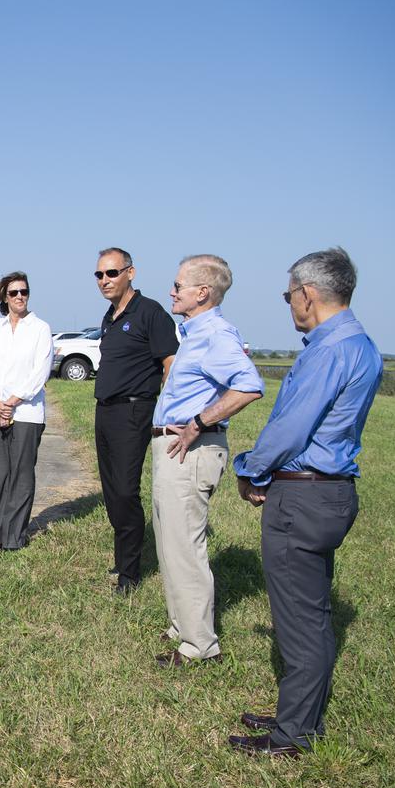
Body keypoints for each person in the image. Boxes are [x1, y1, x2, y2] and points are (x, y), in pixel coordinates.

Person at [228, 248, 382, 758]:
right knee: (310, 614)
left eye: (288, 293)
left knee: (300, 621)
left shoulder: (328, 350)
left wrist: (250, 467)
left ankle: (292, 737)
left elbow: (291, 428)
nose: (288, 301)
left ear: (307, 294)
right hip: (331, 493)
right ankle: (297, 715)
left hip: (303, 494)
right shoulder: (360, 345)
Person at [149, 256, 262, 668]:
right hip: (172, 448)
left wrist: (198, 422)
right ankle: (183, 627)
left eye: (178, 285)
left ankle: (200, 647)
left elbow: (248, 386)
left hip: (190, 450)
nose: (172, 292)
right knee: (170, 543)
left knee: (185, 548)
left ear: (203, 292)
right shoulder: (193, 333)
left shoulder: (215, 333)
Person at [92, 247, 179, 593]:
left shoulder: (150, 313)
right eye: (99, 275)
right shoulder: (110, 315)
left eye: (111, 273)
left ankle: (131, 573)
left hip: (134, 411)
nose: (104, 281)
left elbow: (170, 364)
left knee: (127, 490)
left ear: (130, 272)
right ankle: (123, 557)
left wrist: (167, 411)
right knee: (112, 491)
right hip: (105, 411)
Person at [0, 273, 53, 552]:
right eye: (14, 292)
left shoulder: (40, 329)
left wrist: (12, 402)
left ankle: (14, 537)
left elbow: (40, 373)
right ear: (5, 298)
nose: (20, 296)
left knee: (21, 474)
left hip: (27, 412)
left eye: (24, 291)